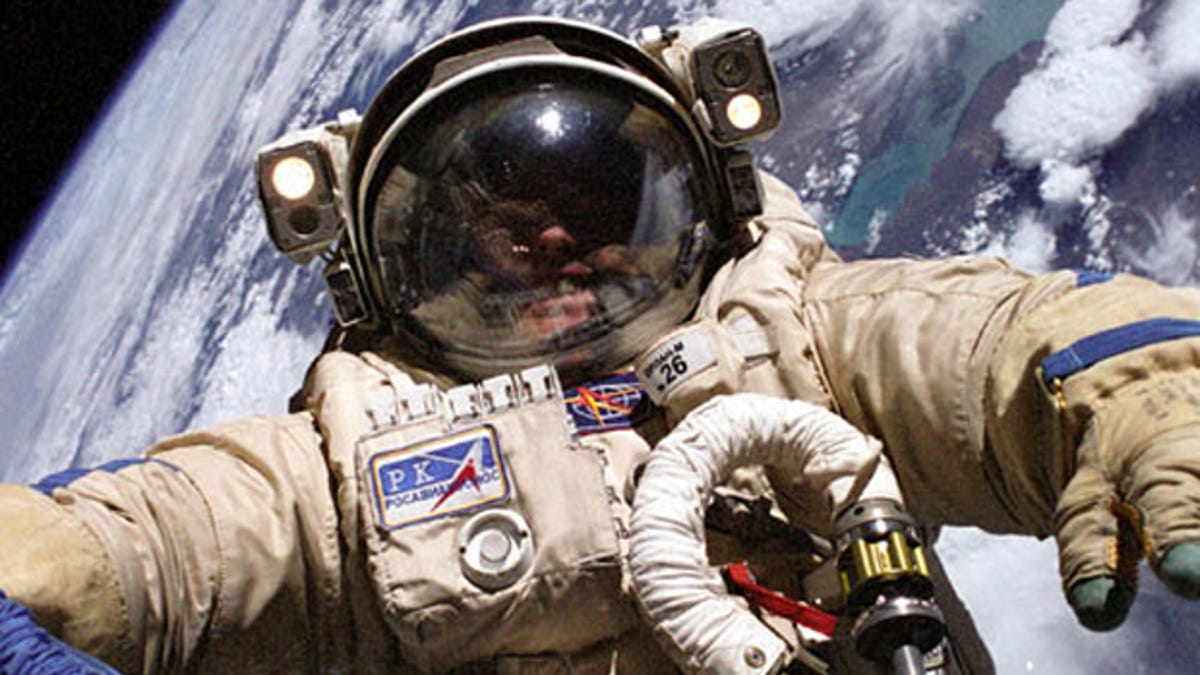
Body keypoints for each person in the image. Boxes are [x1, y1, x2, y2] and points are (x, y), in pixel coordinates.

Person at [0, 14, 1196, 675]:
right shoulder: (348, 477)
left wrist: (1130, 377)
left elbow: (970, 345)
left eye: (595, 202)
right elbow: (176, 545)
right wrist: (53, 572)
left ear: (696, 202)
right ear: (416, 274)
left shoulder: (789, 338)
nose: (562, 246)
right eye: (509, 232)